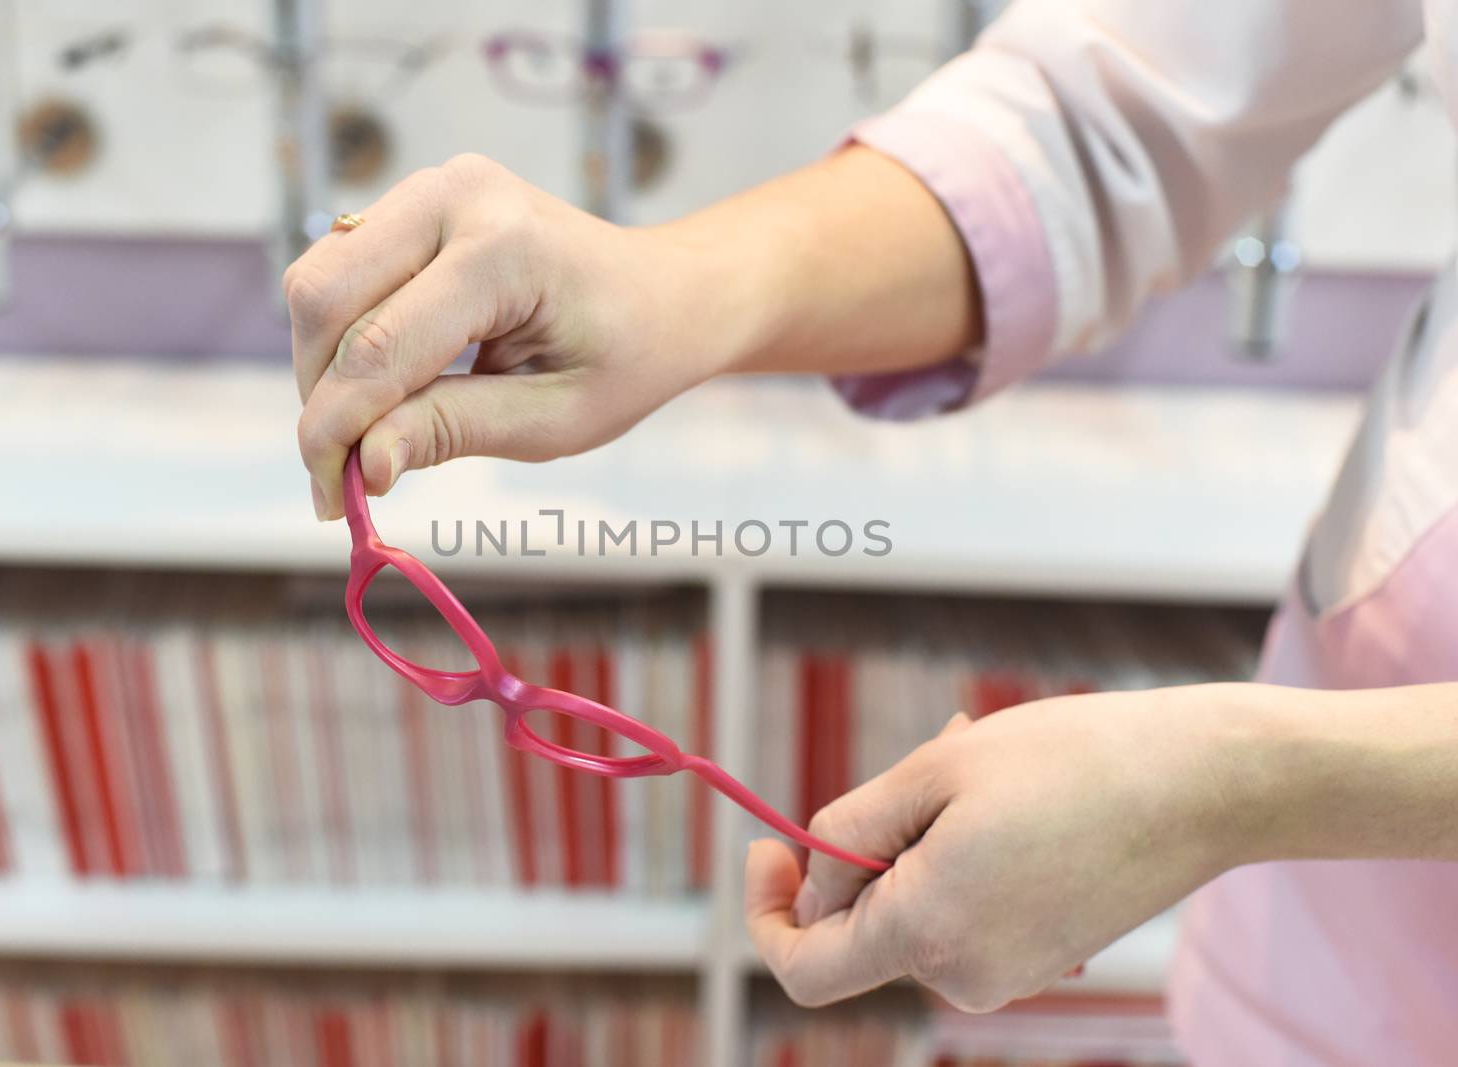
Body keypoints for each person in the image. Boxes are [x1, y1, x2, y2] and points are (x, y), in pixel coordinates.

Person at [285, 1, 1458, 1061]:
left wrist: (1240, 785)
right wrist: (679, 286)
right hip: (1312, 976)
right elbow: (1127, 106)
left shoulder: (1247, 792)